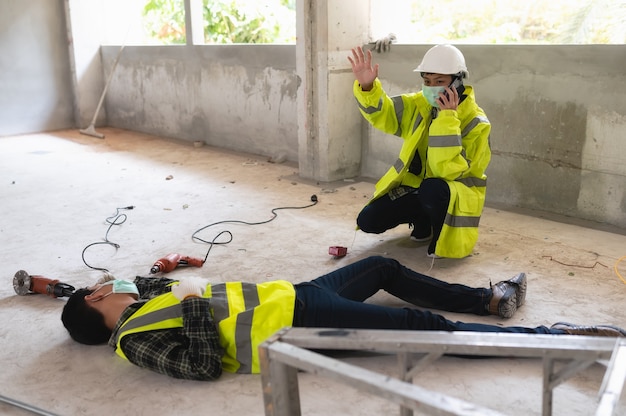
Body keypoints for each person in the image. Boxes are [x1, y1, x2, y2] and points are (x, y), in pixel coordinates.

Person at [61, 256, 625, 381]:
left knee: (380, 266)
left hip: (295, 293)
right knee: (423, 329)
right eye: (99, 286)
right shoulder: (133, 342)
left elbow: (159, 278)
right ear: (93, 302)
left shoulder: (142, 301)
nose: (112, 282)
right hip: (296, 331)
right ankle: (552, 340)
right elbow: (204, 367)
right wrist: (196, 309)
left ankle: (489, 300)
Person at [348, 44, 491, 259]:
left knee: (433, 189)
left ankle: (440, 233)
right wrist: (368, 86)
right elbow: (384, 114)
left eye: (439, 82)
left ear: (458, 82)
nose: (431, 88)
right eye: (427, 81)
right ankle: (423, 222)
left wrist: (447, 118)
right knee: (368, 221)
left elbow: (448, 171)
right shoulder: (419, 104)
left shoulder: (476, 122)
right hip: (418, 189)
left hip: (451, 194)